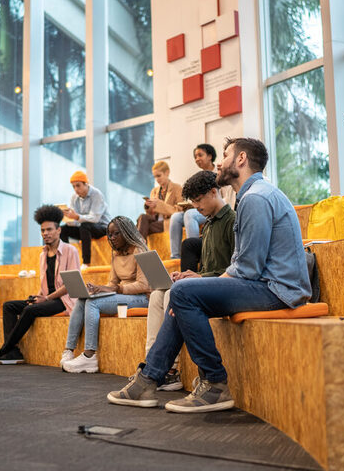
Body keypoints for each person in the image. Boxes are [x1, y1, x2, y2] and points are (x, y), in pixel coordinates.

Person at [107, 137, 311, 412]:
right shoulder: (252, 196)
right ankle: (148, 379)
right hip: (268, 284)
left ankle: (214, 383)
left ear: (241, 159)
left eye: (225, 155)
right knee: (182, 296)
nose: (219, 161)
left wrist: (203, 283)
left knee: (182, 292)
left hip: (276, 290)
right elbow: (244, 265)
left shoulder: (256, 198)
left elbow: (247, 270)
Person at [145, 171, 235, 391]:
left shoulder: (232, 221)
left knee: (173, 294)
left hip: (227, 285)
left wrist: (199, 277)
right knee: (158, 294)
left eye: (198, 200)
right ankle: (153, 364)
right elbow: (206, 268)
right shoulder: (210, 225)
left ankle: (171, 370)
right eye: (192, 201)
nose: (195, 206)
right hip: (209, 283)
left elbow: (236, 269)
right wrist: (187, 275)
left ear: (214, 192)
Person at [0, 205, 80, 365]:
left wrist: (46, 299)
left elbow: (71, 286)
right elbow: (45, 283)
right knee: (9, 306)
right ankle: (14, 352)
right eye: (43, 230)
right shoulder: (42, 254)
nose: (45, 233)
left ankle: (3, 350)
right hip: (47, 299)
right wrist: (39, 296)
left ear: (59, 230)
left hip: (64, 301)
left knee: (30, 310)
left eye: (49, 229)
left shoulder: (70, 251)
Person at [61, 216, 150, 373]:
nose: (112, 238)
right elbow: (112, 282)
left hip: (142, 298)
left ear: (127, 232)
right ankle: (69, 350)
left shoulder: (140, 250)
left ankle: (89, 356)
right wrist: (98, 289)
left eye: (116, 234)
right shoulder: (115, 253)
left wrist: (115, 289)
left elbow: (144, 285)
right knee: (84, 299)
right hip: (123, 294)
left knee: (93, 303)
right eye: (110, 234)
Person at [169, 143, 233, 259]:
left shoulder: (219, 173)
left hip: (215, 207)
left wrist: (200, 202)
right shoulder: (198, 176)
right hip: (198, 208)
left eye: (200, 155)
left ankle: (196, 253)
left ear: (209, 156)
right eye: (195, 157)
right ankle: (175, 256)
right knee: (175, 217)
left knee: (189, 214)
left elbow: (225, 198)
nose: (197, 159)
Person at [60, 171, 112, 270]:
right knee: (62, 229)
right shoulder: (74, 197)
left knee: (85, 226)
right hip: (85, 230)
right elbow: (75, 222)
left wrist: (76, 217)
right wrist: (66, 218)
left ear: (86, 184)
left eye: (78, 186)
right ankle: (66, 262)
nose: (76, 189)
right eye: (73, 186)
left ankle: (86, 262)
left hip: (102, 228)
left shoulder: (96, 194)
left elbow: (95, 218)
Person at [137, 161, 182, 241]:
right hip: (156, 221)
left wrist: (158, 205)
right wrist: (148, 206)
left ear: (167, 173)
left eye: (159, 176)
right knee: (142, 217)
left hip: (168, 222)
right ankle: (140, 247)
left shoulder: (177, 188)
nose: (157, 179)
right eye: (155, 177)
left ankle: (139, 247)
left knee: (142, 226)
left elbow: (179, 210)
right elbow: (151, 214)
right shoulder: (154, 191)